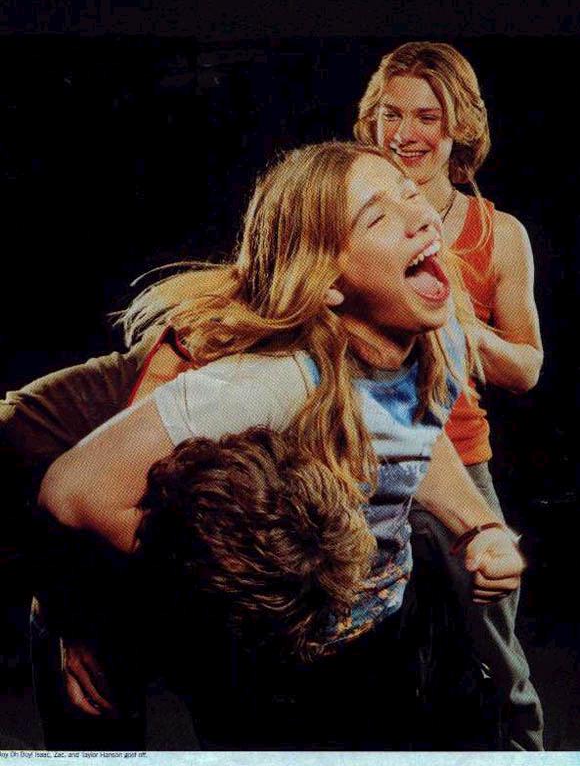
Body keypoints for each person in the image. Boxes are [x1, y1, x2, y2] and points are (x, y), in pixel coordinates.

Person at [36, 140, 525, 750]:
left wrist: (480, 527)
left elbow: (410, 440)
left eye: (409, 193)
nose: (420, 216)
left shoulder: (440, 325)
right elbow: (73, 489)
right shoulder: (272, 383)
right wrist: (212, 581)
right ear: (330, 284)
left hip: (388, 628)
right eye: (377, 217)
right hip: (279, 671)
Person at [353, 41, 544, 750]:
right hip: (360, 464)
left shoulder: (500, 234)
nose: (404, 133)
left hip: (459, 460)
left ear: (459, 124)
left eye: (426, 116)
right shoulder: (345, 216)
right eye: (390, 113)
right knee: (364, 669)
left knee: (496, 665)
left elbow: (528, 367)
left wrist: (459, 325)